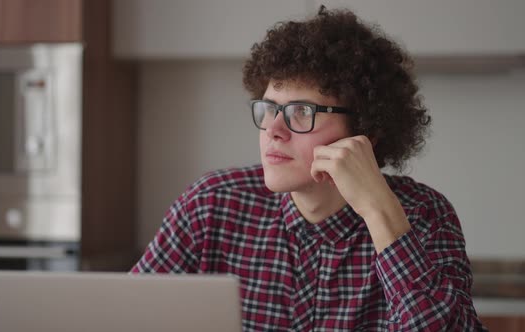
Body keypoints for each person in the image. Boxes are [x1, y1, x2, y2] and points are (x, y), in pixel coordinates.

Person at [132, 6, 487, 331]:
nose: (273, 129)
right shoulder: (211, 205)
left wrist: (379, 211)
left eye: (302, 112)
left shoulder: (424, 216)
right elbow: (124, 316)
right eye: (269, 108)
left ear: (367, 132)